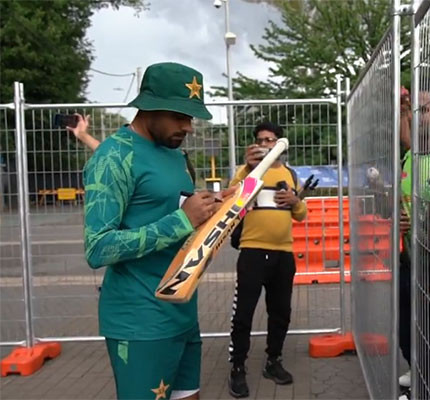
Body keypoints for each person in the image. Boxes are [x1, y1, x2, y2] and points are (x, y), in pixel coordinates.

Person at [83, 62, 227, 400]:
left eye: (191, 117)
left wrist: (215, 209)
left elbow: (178, 213)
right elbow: (97, 247)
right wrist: (182, 220)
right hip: (140, 321)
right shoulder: (113, 157)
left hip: (181, 311)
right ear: (149, 106)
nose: (188, 126)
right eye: (180, 115)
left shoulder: (175, 156)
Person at [227, 121, 307, 398]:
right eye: (261, 140)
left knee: (281, 311)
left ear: (279, 143)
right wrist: (249, 171)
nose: (266, 145)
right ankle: (237, 367)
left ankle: (274, 360)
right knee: (244, 314)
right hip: (252, 251)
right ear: (254, 144)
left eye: (271, 140)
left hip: (284, 253)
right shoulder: (246, 171)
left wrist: (295, 202)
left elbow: (301, 214)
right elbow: (232, 202)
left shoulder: (290, 173)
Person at [67, 114, 197, 183]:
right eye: (178, 118)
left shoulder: (173, 150)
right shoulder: (118, 156)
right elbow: (115, 155)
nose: (188, 128)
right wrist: (82, 135)